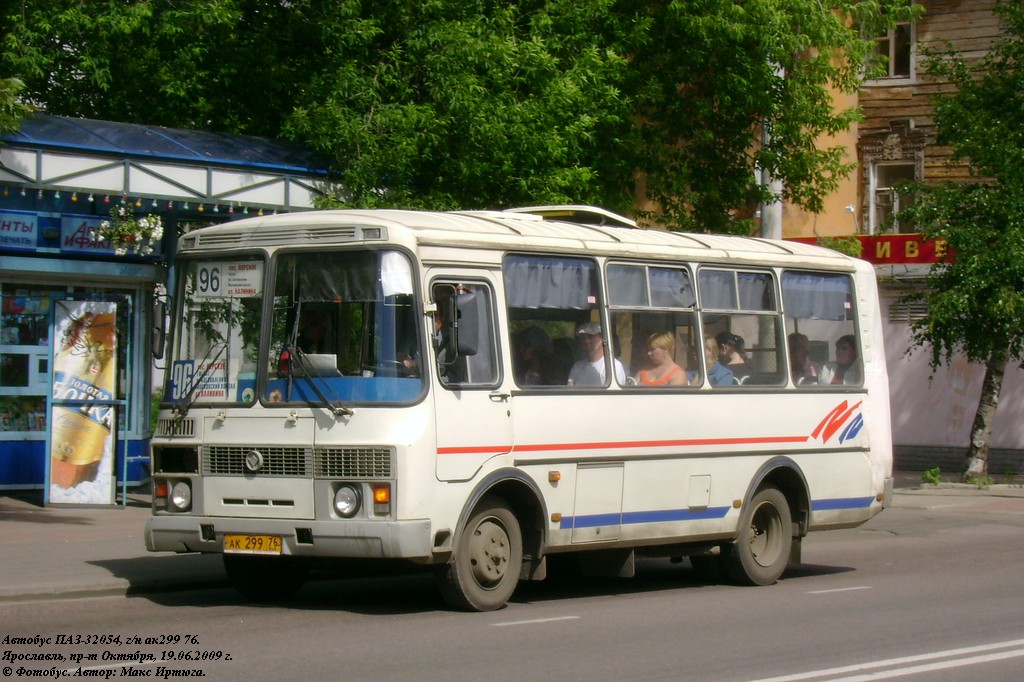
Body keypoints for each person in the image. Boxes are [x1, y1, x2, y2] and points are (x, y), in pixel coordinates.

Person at [567, 321, 626, 387]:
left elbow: (612, 396)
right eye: (583, 337)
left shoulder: (612, 366)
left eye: (591, 337)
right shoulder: (577, 366)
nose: (586, 341)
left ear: (602, 339)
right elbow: (570, 390)